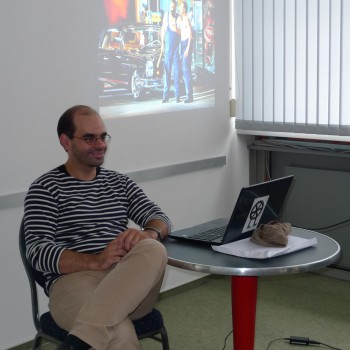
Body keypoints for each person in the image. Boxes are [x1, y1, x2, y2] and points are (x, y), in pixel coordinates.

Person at [24, 105, 171, 350]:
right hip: (73, 284)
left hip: (128, 283)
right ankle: (84, 339)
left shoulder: (119, 182)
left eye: (103, 137)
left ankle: (77, 343)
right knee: (119, 334)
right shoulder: (46, 188)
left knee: (153, 248)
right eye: (89, 138)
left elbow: (159, 218)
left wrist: (148, 233)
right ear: (66, 141)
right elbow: (38, 251)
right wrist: (96, 261)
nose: (100, 144)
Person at [160, 0, 180, 103]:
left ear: (176, 7)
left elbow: (181, 32)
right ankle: (165, 96)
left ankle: (177, 96)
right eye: (171, 7)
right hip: (167, 48)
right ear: (169, 6)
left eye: (174, 7)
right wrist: (162, 44)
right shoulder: (166, 16)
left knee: (176, 73)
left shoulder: (178, 16)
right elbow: (163, 30)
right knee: (166, 73)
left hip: (176, 49)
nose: (172, 8)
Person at [177, 1, 193, 103]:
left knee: (186, 70)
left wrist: (187, 48)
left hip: (187, 43)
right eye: (180, 7)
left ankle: (189, 96)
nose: (180, 9)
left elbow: (191, 34)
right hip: (182, 44)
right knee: (184, 70)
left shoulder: (186, 19)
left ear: (185, 9)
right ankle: (188, 94)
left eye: (182, 7)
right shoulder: (181, 19)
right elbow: (180, 32)